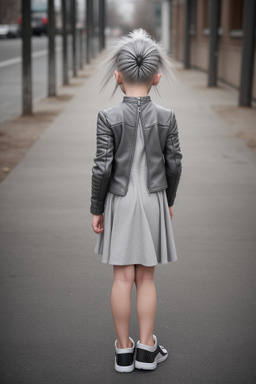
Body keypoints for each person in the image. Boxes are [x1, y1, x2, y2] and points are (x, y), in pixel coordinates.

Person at [90, 28, 183, 373]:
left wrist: (96, 209)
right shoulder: (167, 116)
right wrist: (168, 199)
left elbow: (102, 168)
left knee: (122, 279)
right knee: (146, 278)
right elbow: (174, 163)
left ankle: (123, 351)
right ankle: (147, 349)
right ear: (157, 77)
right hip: (153, 199)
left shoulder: (107, 117)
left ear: (117, 76)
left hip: (120, 200)